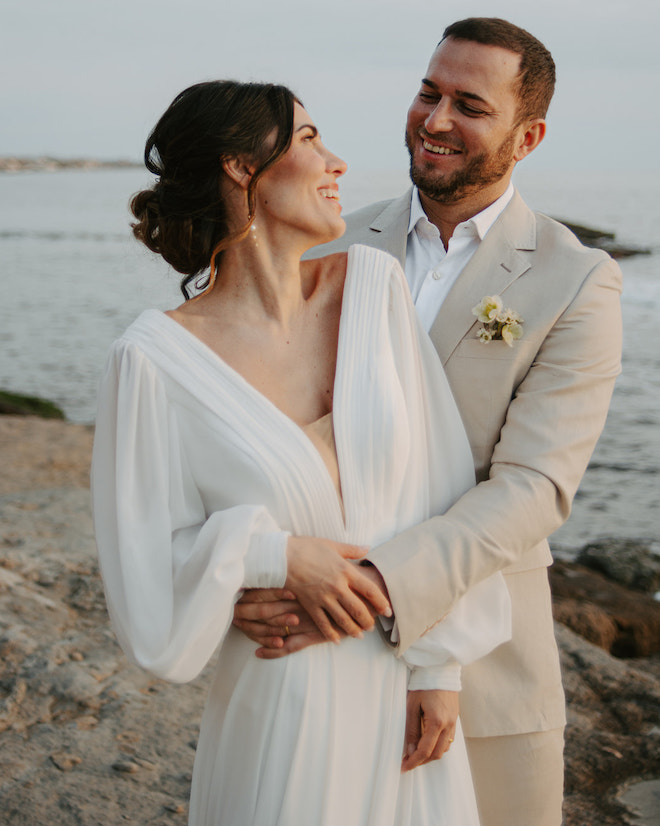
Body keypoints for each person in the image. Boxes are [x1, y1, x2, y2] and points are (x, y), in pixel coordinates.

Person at [233, 18, 623, 826]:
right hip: (317, 645)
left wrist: (375, 588)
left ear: (528, 136)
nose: (435, 119)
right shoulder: (329, 245)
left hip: (486, 668)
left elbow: (532, 488)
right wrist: (266, 565)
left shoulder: (576, 279)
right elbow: (275, 433)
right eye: (427, 92)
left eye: (469, 105)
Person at [91, 79, 513, 826]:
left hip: (401, 684)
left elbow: (441, 485)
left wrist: (439, 667)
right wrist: (272, 556)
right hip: (283, 702)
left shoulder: (374, 291)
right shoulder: (153, 360)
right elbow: (147, 573)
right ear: (239, 167)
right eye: (311, 139)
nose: (337, 161)